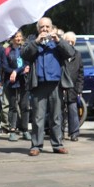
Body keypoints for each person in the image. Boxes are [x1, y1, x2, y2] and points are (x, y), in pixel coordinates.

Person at [21, 17, 74, 156]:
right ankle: (36, 145)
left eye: (47, 27)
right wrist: (36, 42)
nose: (45, 29)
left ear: (51, 28)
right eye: (42, 27)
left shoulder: (57, 41)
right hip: (38, 84)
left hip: (55, 84)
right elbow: (24, 54)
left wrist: (59, 41)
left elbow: (70, 52)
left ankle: (57, 144)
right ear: (38, 29)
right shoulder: (33, 41)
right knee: (38, 117)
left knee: (56, 116)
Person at [3, 31, 31, 142]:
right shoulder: (6, 50)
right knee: (13, 106)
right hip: (12, 82)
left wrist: (16, 71)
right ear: (12, 38)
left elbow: (27, 64)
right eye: (16, 37)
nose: (18, 39)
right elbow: (4, 66)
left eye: (20, 36)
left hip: (24, 81)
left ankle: (25, 130)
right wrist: (14, 72)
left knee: (25, 106)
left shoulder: (25, 49)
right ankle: (12, 130)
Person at [61, 31, 84, 141]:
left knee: (73, 110)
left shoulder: (78, 54)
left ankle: (74, 132)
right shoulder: (60, 54)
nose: (70, 43)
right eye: (67, 41)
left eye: (72, 42)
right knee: (59, 111)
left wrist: (79, 89)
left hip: (73, 88)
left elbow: (80, 73)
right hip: (61, 87)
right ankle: (59, 132)